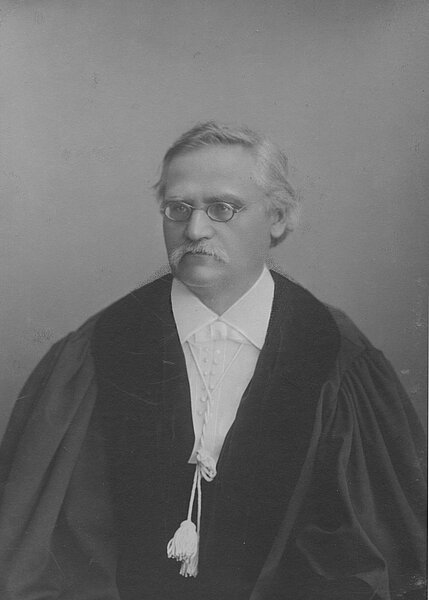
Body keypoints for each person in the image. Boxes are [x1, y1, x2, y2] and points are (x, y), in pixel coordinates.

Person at [0, 122, 426, 600]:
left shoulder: (336, 354)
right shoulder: (99, 349)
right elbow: (47, 547)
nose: (195, 229)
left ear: (278, 217)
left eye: (223, 208)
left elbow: (368, 548)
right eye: (178, 208)